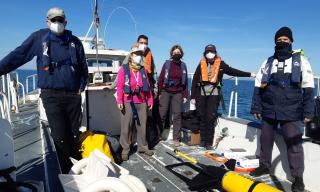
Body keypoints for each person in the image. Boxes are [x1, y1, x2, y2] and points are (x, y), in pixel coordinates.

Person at [0, 7, 88, 173]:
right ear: (47, 22)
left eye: (60, 20)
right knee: (60, 135)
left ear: (65, 21)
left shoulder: (75, 41)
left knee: (73, 133)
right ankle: (65, 171)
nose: (57, 23)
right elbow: (18, 55)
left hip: (73, 95)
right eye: (53, 20)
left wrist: (81, 88)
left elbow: (83, 67)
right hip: (51, 95)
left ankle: (76, 165)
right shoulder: (39, 38)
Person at [250, 26, 314, 192]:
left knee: (294, 144)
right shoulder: (268, 61)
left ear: (291, 41)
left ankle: (297, 177)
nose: (282, 42)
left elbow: (308, 86)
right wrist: (256, 106)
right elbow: (258, 85)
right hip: (269, 108)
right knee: (265, 139)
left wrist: (308, 111)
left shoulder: (301, 61)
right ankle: (264, 165)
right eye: (279, 40)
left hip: (291, 110)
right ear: (275, 42)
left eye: (285, 40)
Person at [191, 44, 254, 150]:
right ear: (205, 53)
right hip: (201, 93)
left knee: (210, 118)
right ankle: (202, 141)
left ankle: (209, 143)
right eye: (207, 52)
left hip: (214, 94)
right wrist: (193, 97)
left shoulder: (221, 64)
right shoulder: (201, 64)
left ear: (215, 53)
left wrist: (249, 74)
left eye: (211, 51)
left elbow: (233, 71)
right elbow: (194, 80)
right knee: (202, 117)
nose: (209, 54)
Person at [116, 44, 154, 161]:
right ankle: (125, 149)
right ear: (131, 55)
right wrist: (119, 100)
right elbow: (120, 86)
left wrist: (150, 99)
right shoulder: (124, 69)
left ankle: (143, 147)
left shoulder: (143, 70)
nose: (139, 56)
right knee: (126, 127)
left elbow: (147, 86)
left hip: (142, 102)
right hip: (128, 102)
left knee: (142, 126)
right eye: (136, 54)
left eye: (140, 54)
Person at [158, 45, 188, 147]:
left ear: (181, 54)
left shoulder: (183, 65)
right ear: (171, 54)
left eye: (178, 52)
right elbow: (161, 79)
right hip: (166, 91)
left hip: (178, 92)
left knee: (177, 115)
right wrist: (159, 93)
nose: (176, 54)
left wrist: (185, 95)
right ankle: (158, 135)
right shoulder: (166, 64)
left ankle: (176, 138)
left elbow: (186, 82)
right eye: (175, 52)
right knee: (162, 114)